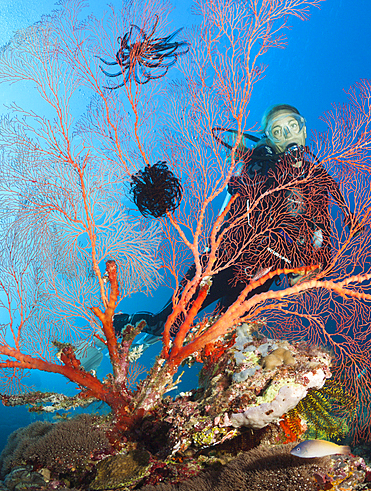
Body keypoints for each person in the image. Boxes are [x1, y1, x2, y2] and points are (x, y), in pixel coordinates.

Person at [113, 104, 357, 337]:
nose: (288, 135)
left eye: (293, 126)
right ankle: (123, 324)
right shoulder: (256, 166)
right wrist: (259, 161)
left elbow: (322, 233)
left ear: (304, 129)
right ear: (268, 138)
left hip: (260, 274)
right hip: (222, 259)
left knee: (223, 336)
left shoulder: (317, 182)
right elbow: (233, 205)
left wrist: (311, 266)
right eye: (277, 131)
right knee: (164, 325)